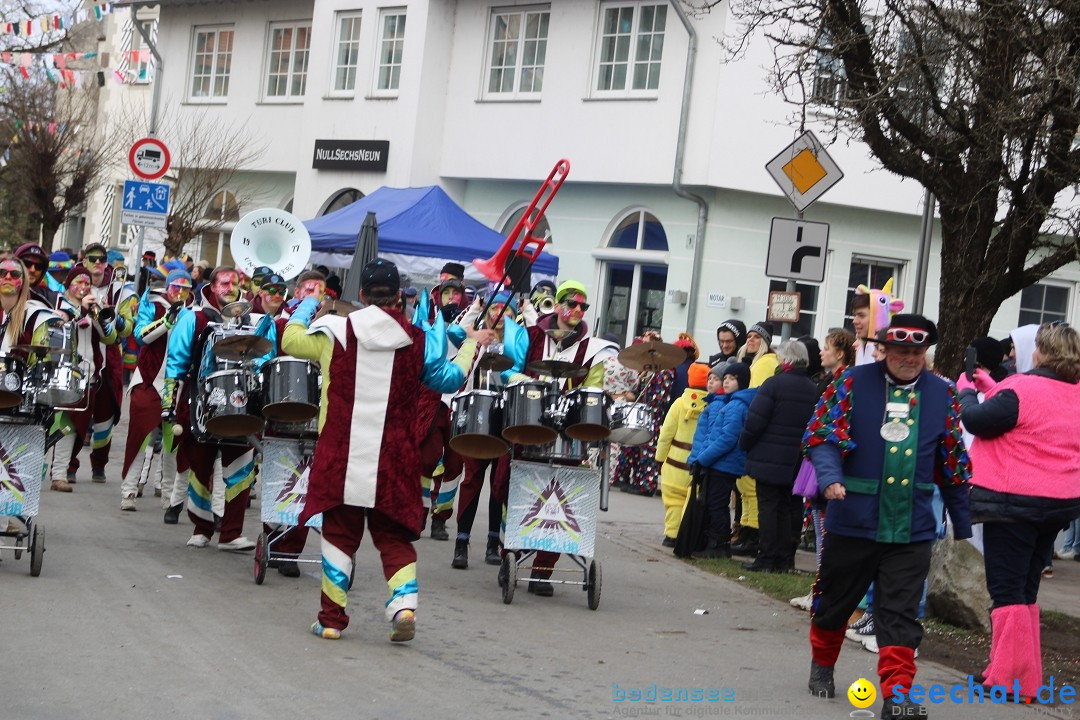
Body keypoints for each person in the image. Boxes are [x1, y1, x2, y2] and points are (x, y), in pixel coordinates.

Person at [281, 258, 465, 641]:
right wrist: (470, 348)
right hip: (393, 458)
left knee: (338, 534)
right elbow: (450, 378)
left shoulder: (336, 332)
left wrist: (307, 302)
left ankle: (331, 620)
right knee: (394, 536)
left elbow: (290, 339)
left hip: (341, 454)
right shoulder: (417, 341)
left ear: (361, 295)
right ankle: (403, 605)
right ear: (399, 296)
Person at [802, 314, 972, 718]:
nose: (909, 358)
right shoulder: (851, 382)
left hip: (911, 527)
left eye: (917, 352)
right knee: (835, 603)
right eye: (901, 351)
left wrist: (962, 520)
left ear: (924, 352)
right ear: (884, 350)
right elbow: (822, 434)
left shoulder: (942, 393)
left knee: (900, 612)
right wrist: (829, 477)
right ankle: (822, 663)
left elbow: (951, 459)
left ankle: (897, 696)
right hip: (854, 519)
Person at [956, 322, 1080, 700]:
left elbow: (977, 421)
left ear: (1041, 352)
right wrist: (991, 389)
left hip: (1013, 501)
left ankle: (1010, 680)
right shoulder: (1073, 392)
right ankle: (1018, 674)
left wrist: (965, 393)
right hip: (1058, 503)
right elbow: (1030, 418)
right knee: (1026, 589)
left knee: (1006, 590)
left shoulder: (1021, 388)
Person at [503, 278, 618, 595]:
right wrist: (531, 384)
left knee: (561, 496)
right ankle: (509, 556)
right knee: (518, 491)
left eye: (583, 306)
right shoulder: (530, 335)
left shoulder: (591, 349)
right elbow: (507, 370)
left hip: (568, 431)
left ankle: (542, 570)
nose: (578, 310)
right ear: (559, 304)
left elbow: (592, 390)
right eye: (572, 303)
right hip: (528, 424)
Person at [163, 266, 267, 550]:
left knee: (241, 469)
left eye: (236, 283)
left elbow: (262, 360)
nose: (231, 288)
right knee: (200, 468)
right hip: (200, 403)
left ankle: (231, 534)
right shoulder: (193, 317)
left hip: (240, 405)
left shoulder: (252, 320)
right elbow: (176, 364)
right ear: (212, 286)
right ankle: (201, 529)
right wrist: (169, 404)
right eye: (225, 282)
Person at [448, 291, 527, 569]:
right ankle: (461, 542)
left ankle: (493, 542)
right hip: (479, 414)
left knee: (499, 481)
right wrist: (474, 308)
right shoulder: (479, 337)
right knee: (472, 480)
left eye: (506, 310)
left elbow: (529, 348)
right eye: (494, 308)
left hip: (506, 416)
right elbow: (455, 333)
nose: (499, 314)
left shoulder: (517, 341)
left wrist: (526, 314)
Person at [738, 340, 820, 572]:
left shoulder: (773, 385)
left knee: (769, 507)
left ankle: (766, 557)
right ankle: (785, 559)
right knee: (790, 506)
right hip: (796, 460)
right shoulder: (812, 388)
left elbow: (755, 421)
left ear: (785, 360)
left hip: (769, 456)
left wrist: (744, 444)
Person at [791, 328, 856, 611]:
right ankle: (819, 588)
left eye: (827, 347)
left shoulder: (842, 382)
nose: (821, 352)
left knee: (825, 531)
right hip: (820, 463)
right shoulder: (829, 380)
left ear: (839, 353)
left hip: (831, 467)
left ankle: (823, 591)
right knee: (819, 528)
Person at [119, 263, 191, 512]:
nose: (179, 293)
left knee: (173, 443)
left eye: (185, 288)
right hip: (148, 381)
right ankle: (128, 491)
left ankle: (169, 497)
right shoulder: (152, 304)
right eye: (175, 287)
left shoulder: (193, 313)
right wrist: (166, 321)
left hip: (176, 385)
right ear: (167, 287)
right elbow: (141, 336)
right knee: (139, 437)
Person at [52, 265, 119, 491]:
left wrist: (97, 317)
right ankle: (58, 474)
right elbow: (60, 330)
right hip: (65, 375)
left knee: (78, 428)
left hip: (90, 376)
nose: (83, 287)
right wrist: (80, 311)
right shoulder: (60, 306)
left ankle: (60, 471)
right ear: (68, 285)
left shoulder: (93, 308)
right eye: (78, 282)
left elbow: (110, 339)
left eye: (86, 283)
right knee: (66, 427)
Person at [79, 243, 138, 483]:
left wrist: (111, 318)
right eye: (92, 259)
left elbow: (128, 327)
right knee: (74, 414)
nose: (97, 263)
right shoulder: (76, 282)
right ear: (84, 261)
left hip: (109, 358)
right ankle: (66, 467)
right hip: (80, 353)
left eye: (101, 259)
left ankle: (99, 465)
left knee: (105, 416)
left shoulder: (121, 289)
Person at [416, 265, 468, 540]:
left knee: (455, 465)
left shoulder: (470, 318)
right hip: (432, 399)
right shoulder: (428, 315)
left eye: (455, 293)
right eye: (446, 292)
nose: (451, 297)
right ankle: (420, 513)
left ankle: (441, 517)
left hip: (459, 401)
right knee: (426, 459)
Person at [685, 362, 755, 558]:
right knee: (714, 502)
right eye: (725, 378)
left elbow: (727, 438)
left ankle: (718, 544)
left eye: (731, 379)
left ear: (741, 382)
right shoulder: (732, 403)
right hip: (720, 462)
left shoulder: (736, 405)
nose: (727, 382)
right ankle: (715, 543)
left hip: (724, 463)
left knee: (716, 504)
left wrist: (703, 459)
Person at [729, 321, 777, 556]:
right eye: (749, 336)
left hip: (752, 430)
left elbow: (755, 399)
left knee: (750, 487)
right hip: (747, 427)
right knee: (743, 486)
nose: (751, 340)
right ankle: (746, 532)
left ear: (765, 342)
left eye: (757, 337)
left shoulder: (765, 363)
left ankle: (752, 536)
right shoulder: (751, 363)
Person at [655, 362, 710, 546]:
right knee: (690, 499)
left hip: (673, 463)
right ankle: (687, 536)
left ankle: (671, 534)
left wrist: (659, 458)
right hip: (695, 463)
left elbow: (666, 434)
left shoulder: (679, 403)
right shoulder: (710, 405)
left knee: (672, 501)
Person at [15, 243, 57, 307]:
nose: (33, 270)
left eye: (39, 266)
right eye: (27, 263)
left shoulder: (50, 298)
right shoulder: (4, 292)